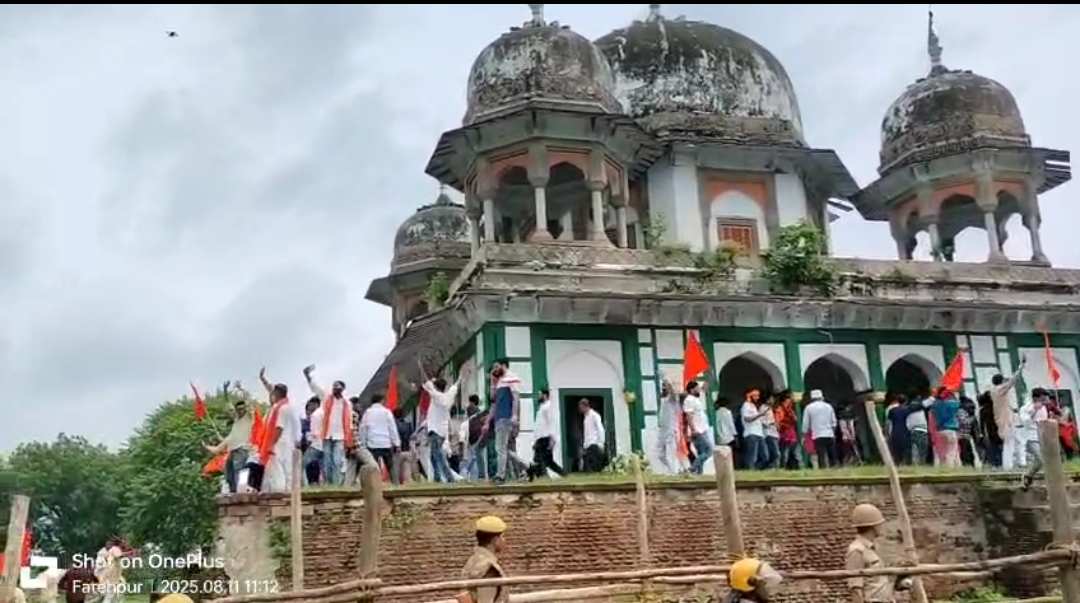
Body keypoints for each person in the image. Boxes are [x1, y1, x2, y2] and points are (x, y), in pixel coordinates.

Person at [845, 504, 910, 603]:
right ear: (873, 526)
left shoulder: (871, 549)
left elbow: (877, 582)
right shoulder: (857, 551)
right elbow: (856, 589)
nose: (882, 526)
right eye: (879, 524)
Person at [303, 364, 355, 486]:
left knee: (337, 461)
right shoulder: (327, 398)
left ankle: (335, 484)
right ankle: (327, 483)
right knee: (327, 461)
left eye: (338, 387)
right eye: (334, 387)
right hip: (327, 435)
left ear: (342, 389)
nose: (335, 389)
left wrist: (350, 440)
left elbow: (349, 422)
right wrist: (308, 376)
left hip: (340, 436)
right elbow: (316, 388)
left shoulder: (347, 403)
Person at [420, 363, 467, 483]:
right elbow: (456, 385)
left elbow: (426, 382)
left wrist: (420, 367)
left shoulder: (437, 396)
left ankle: (449, 478)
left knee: (439, 456)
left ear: (436, 387)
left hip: (435, 430)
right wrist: (461, 375)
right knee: (433, 456)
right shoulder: (448, 396)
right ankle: (437, 478)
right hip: (441, 430)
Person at [204, 398, 254, 493]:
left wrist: (241, 389)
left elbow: (251, 404)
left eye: (243, 409)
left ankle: (241, 492)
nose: (241, 411)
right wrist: (225, 392)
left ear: (246, 409)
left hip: (242, 449)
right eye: (239, 409)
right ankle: (234, 492)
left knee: (239, 471)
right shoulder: (236, 422)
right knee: (229, 473)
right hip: (233, 450)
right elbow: (217, 449)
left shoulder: (248, 418)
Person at [458, 516, 510, 603]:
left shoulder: (473, 560)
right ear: (495, 540)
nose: (504, 540)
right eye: (503, 537)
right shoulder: (488, 568)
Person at [259, 382, 299, 492]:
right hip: (287, 442)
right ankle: (287, 493)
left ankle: (279, 493)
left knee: (277, 470)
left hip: (279, 443)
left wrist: (271, 444)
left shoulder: (281, 408)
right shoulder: (289, 407)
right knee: (286, 471)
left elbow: (279, 428)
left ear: (277, 393)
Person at [486, 359, 520, 483]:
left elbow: (516, 397)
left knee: (500, 447)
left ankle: (500, 475)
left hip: (505, 417)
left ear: (503, 366)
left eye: (496, 367)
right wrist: (492, 383)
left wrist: (515, 415)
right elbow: (493, 399)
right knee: (503, 448)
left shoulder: (510, 378)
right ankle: (526, 467)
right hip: (498, 417)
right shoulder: (500, 381)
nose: (494, 370)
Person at [991, 358, 1027, 469]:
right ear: (1001, 382)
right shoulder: (999, 390)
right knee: (1009, 444)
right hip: (1005, 421)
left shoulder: (993, 391)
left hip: (1007, 420)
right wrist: (1020, 366)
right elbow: (1012, 381)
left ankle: (1021, 463)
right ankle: (1008, 466)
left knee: (1019, 441)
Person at [359, 393, 400, 482]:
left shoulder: (368, 412)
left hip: (372, 443)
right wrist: (396, 443)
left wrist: (363, 442)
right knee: (391, 466)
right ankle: (395, 483)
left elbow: (363, 428)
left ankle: (375, 483)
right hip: (386, 443)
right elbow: (392, 428)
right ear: (381, 401)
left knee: (374, 467)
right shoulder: (387, 412)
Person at [529, 388, 564, 479]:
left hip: (545, 438)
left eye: (540, 394)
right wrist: (535, 440)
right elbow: (539, 425)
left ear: (545, 395)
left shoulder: (548, 407)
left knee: (538, 460)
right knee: (548, 462)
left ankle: (538, 478)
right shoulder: (542, 407)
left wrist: (552, 438)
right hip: (540, 438)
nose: (539, 396)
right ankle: (564, 475)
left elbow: (551, 422)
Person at [1020, 388, 1051, 491]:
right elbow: (1026, 422)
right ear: (1036, 398)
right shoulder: (1026, 408)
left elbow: (1044, 421)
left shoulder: (1044, 408)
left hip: (1042, 436)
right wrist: (1034, 410)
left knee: (1039, 461)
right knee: (1043, 459)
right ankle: (1050, 484)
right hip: (1031, 437)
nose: (1045, 400)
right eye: (1043, 397)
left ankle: (1028, 476)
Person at [802, 390, 837, 468]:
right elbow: (834, 422)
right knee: (832, 454)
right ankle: (835, 468)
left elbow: (805, 424)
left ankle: (823, 469)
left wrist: (804, 435)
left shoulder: (809, 408)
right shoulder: (828, 406)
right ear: (822, 397)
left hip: (817, 434)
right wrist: (833, 432)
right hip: (829, 433)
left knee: (821, 454)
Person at [683, 381, 713, 474]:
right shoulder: (689, 400)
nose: (699, 390)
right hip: (697, 430)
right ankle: (692, 468)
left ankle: (699, 473)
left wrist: (704, 387)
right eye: (697, 388)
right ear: (692, 390)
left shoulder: (695, 399)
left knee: (701, 452)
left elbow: (702, 392)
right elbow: (688, 415)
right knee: (709, 450)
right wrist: (693, 430)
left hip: (702, 429)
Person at [656, 379, 683, 474]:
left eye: (665, 386)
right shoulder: (663, 400)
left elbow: (674, 393)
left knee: (671, 452)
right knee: (660, 455)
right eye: (663, 386)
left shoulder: (673, 399)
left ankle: (675, 472)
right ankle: (676, 470)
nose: (664, 387)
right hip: (663, 430)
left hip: (672, 430)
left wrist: (669, 383)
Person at [930, 389, 961, 468]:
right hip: (950, 429)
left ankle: (944, 467)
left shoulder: (934, 406)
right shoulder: (950, 404)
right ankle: (949, 468)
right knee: (951, 452)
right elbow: (958, 403)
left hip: (940, 431)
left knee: (943, 451)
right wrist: (953, 394)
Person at [740, 389, 767, 470]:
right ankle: (751, 471)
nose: (757, 398)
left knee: (765, 456)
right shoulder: (746, 405)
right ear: (750, 396)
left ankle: (754, 470)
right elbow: (747, 419)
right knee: (752, 457)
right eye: (755, 396)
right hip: (751, 433)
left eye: (758, 396)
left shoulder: (753, 406)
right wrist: (759, 415)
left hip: (759, 434)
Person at [464, 396, 489, 480]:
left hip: (475, 436)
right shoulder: (479, 411)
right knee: (478, 455)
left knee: (476, 456)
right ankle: (480, 474)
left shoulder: (471, 408)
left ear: (472, 402)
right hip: (481, 436)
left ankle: (479, 475)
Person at [579, 398, 607, 472]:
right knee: (587, 467)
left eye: (581, 407)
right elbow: (586, 432)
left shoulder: (594, 415)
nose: (580, 409)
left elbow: (600, 429)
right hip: (588, 445)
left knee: (593, 466)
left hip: (594, 443)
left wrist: (601, 443)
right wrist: (584, 445)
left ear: (585, 406)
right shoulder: (586, 417)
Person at [774, 391, 799, 469]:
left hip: (792, 435)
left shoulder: (790, 409)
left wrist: (791, 411)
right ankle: (782, 468)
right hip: (784, 435)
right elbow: (778, 422)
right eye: (789, 399)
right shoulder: (780, 409)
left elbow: (795, 419)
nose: (790, 401)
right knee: (785, 455)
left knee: (796, 454)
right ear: (785, 400)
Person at [303, 397, 324, 485]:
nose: (310, 408)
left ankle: (304, 484)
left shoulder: (315, 415)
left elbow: (314, 434)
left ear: (315, 404)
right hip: (324, 445)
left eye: (310, 405)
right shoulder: (324, 413)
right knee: (322, 467)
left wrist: (308, 442)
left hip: (315, 445)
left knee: (302, 465)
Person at [905, 395, 931, 466]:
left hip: (913, 432)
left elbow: (908, 424)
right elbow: (928, 402)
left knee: (915, 451)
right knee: (923, 451)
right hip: (922, 431)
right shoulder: (920, 408)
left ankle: (915, 466)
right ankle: (921, 465)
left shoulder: (907, 410)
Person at [977, 390, 1001, 467]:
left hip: (989, 431)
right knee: (999, 448)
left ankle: (994, 463)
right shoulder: (995, 407)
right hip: (998, 429)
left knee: (992, 448)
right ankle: (999, 463)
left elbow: (981, 423)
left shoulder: (983, 410)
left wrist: (982, 433)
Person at [885, 395, 911, 465]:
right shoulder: (907, 410)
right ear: (906, 401)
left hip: (894, 432)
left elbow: (888, 423)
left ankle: (897, 466)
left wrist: (886, 434)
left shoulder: (892, 411)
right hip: (904, 432)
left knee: (896, 452)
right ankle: (904, 465)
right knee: (905, 452)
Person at [394, 408, 415, 483]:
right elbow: (412, 436)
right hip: (407, 449)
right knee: (407, 471)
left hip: (397, 450)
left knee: (396, 470)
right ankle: (408, 483)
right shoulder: (408, 425)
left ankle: (396, 483)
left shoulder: (394, 425)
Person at [761, 397, 781, 469]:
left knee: (775, 453)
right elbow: (762, 421)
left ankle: (772, 468)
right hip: (769, 433)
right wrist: (771, 423)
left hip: (774, 433)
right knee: (776, 454)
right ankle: (774, 468)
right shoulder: (763, 408)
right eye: (771, 399)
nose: (772, 401)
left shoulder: (771, 409)